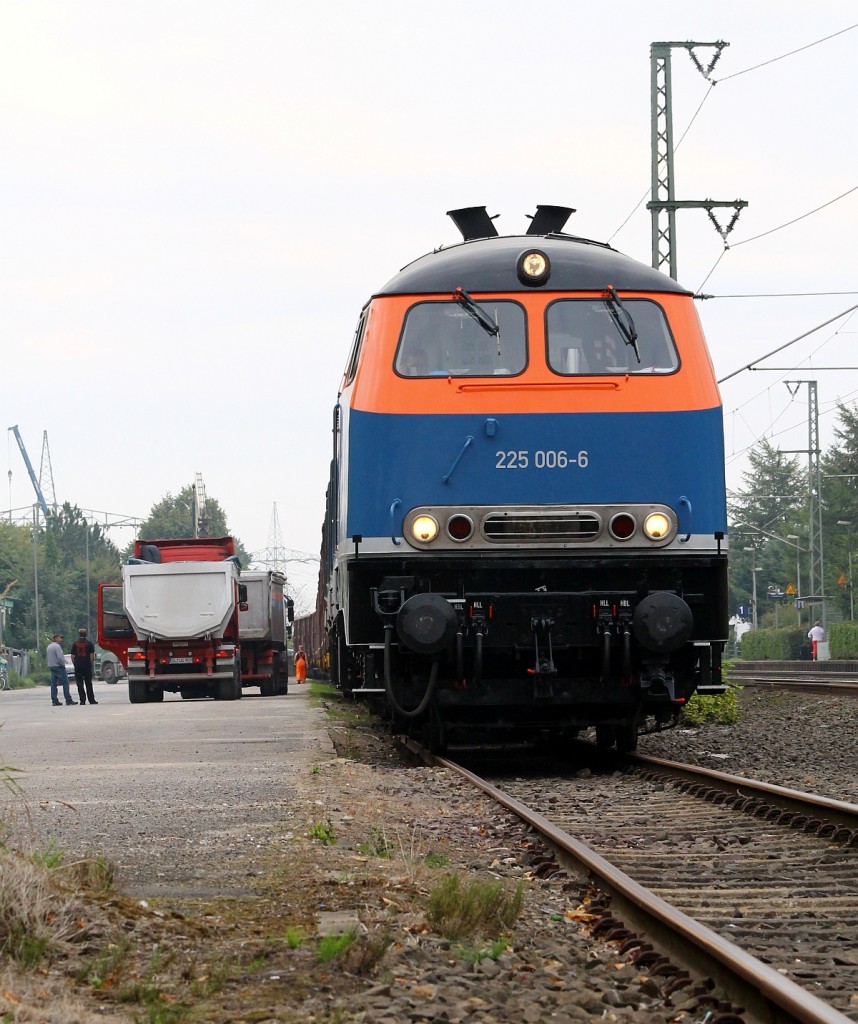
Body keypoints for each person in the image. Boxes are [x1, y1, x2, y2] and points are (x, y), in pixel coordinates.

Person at [46, 633, 76, 706]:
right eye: (60, 638)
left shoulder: (49, 647)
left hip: (52, 666)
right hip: (59, 667)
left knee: (53, 684)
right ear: (56, 638)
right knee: (65, 683)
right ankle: (68, 699)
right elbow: (60, 658)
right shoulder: (57, 646)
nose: (61, 640)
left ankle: (54, 700)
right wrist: (62, 664)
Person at [70, 627, 97, 705]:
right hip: (86, 665)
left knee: (79, 683)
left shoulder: (75, 644)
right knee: (88, 683)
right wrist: (90, 663)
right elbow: (92, 655)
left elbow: (72, 656)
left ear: (79, 634)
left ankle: (82, 700)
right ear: (86, 634)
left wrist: (75, 664)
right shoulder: (89, 643)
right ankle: (91, 700)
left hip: (78, 665)